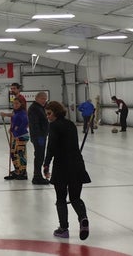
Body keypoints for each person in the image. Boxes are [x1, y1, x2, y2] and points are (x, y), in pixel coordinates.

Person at [43, 100, 91, 240]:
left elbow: (51, 147)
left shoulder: (54, 126)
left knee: (61, 199)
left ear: (56, 112)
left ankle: (63, 228)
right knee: (75, 197)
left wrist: (46, 165)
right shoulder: (71, 124)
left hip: (62, 166)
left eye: (49, 113)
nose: (48, 117)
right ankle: (83, 218)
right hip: (77, 164)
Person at [1, 97, 29, 180]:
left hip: (21, 136)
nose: (15, 105)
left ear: (21, 104)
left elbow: (25, 122)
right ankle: (17, 170)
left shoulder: (22, 113)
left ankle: (23, 172)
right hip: (15, 135)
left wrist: (17, 130)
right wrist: (12, 129)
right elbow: (14, 121)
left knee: (20, 154)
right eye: (14, 104)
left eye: (17, 103)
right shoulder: (15, 112)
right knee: (13, 153)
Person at [28, 92, 49, 184]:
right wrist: (39, 135)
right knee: (39, 156)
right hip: (38, 136)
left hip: (42, 135)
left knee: (40, 156)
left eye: (45, 98)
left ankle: (38, 175)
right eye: (42, 98)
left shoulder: (40, 108)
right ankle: (37, 176)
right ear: (37, 98)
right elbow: (35, 123)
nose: (44, 100)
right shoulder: (34, 108)